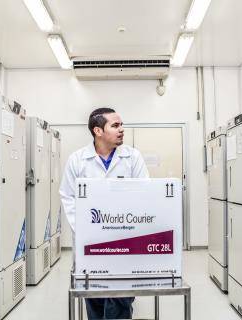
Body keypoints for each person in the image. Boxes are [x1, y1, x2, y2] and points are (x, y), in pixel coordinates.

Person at [59, 107, 149, 319]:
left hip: (125, 239)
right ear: (98, 131)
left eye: (121, 125)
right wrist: (86, 230)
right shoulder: (78, 160)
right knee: (95, 295)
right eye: (115, 125)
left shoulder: (132, 157)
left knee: (122, 297)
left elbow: (146, 194)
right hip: (90, 243)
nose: (122, 129)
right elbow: (68, 197)